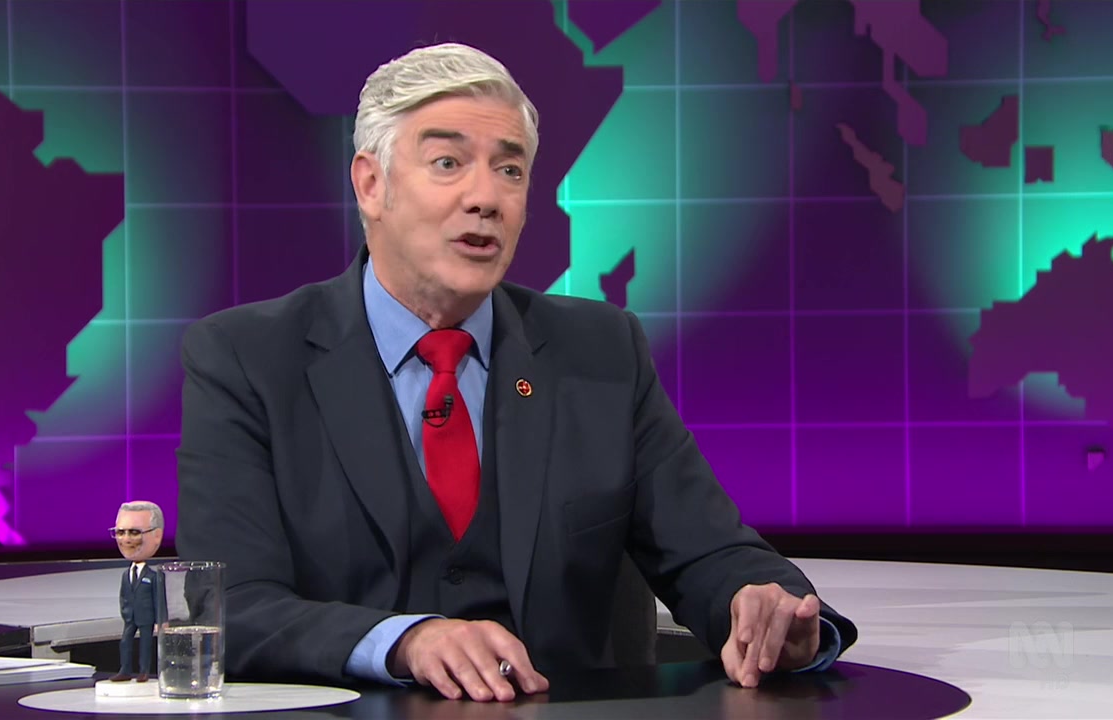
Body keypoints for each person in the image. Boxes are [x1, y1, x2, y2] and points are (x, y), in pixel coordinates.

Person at [175, 42, 858, 703]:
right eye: (448, 162)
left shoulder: (601, 351)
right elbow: (233, 606)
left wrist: (772, 611)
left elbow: (709, 552)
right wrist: (403, 641)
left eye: (510, 170)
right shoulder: (248, 359)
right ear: (371, 184)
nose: (486, 197)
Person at [110, 500, 164, 682]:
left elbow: (159, 599)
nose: (126, 539)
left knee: (145, 645)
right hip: (130, 617)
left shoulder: (153, 576)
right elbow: (124, 596)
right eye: (120, 532)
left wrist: (161, 620)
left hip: (146, 618)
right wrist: (125, 612)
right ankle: (125, 670)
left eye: (134, 532)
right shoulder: (126, 574)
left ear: (157, 535)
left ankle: (143, 671)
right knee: (126, 642)